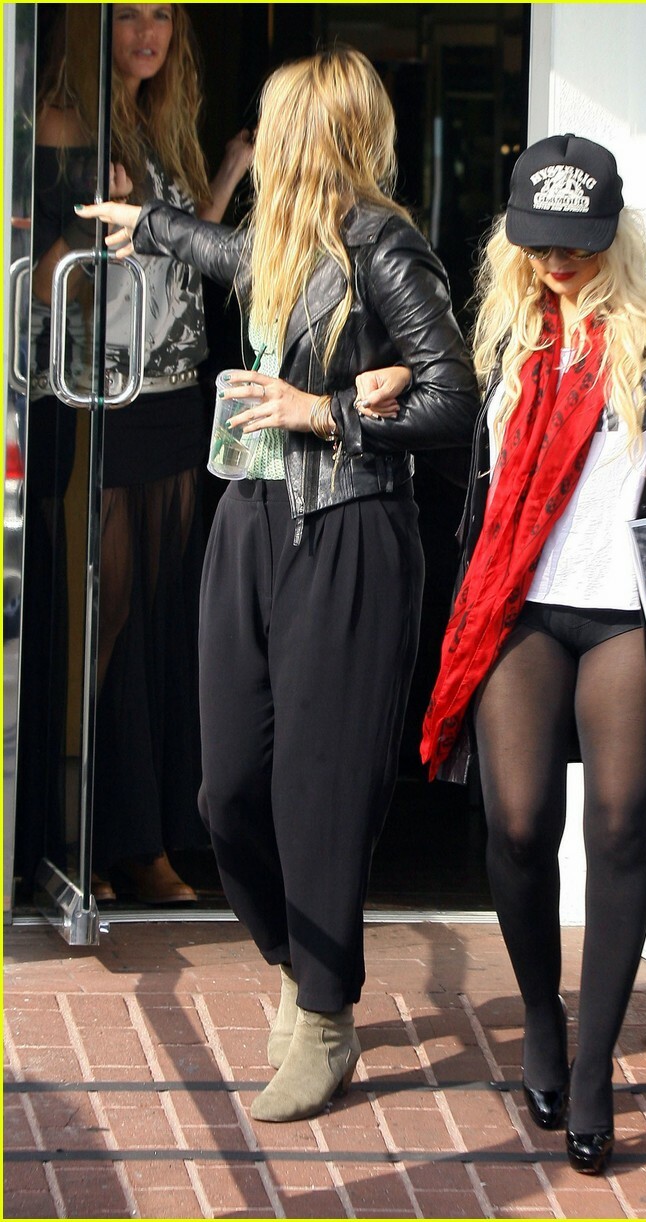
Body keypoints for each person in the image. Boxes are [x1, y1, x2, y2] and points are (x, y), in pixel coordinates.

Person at [79, 47, 478, 1122]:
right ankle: (297, 965)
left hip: (345, 527)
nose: (261, 140)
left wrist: (328, 411)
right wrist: (148, 225)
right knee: (228, 790)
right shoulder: (282, 238)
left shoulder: (383, 243)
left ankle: (326, 1013)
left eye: (276, 122)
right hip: (251, 521)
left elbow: (456, 399)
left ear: (316, 131)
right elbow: (222, 249)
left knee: (319, 790)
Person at [421, 134, 646, 1174]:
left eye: (578, 243)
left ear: (615, 232)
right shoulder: (504, 332)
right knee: (517, 823)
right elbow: (464, 461)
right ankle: (539, 1016)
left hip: (626, 611)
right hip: (518, 605)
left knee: (618, 824)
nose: (559, 262)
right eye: (542, 243)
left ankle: (595, 1063)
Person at [23, 3, 254, 905]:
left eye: (162, 16)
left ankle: (146, 839)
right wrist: (90, 227)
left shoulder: (160, 125)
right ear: (95, 26)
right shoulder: (64, 123)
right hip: (98, 397)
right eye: (129, 16)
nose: (148, 32)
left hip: (174, 391)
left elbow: (176, 251)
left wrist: (228, 170)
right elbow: (45, 279)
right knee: (103, 620)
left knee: (161, 619)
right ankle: (82, 842)